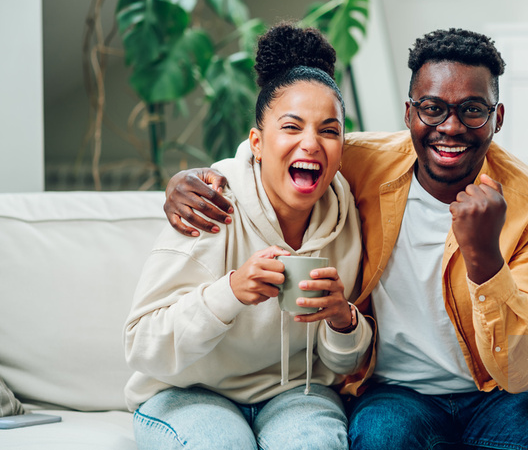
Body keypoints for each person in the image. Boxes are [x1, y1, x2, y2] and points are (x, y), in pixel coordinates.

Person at [162, 28, 528, 449]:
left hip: (499, 395)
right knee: (383, 437)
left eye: (473, 110)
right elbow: (280, 149)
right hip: (395, 394)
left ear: (497, 117)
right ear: (409, 112)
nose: (451, 127)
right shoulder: (361, 161)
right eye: (432, 108)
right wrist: (191, 179)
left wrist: (486, 259)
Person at [123, 23, 372, 450]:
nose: (311, 143)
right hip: (187, 394)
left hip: (295, 395)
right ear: (256, 142)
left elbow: (339, 364)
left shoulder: (346, 216)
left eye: (329, 131)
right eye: (291, 127)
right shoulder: (207, 202)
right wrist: (231, 292)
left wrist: (343, 320)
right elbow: (143, 346)